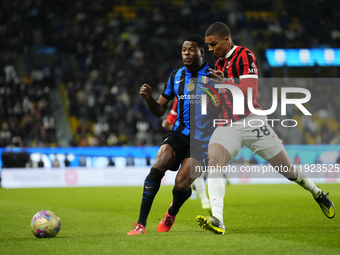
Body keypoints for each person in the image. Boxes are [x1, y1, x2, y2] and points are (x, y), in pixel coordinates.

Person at [196, 22, 335, 235]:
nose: (211, 50)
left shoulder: (244, 56)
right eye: (208, 46)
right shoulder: (219, 64)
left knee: (288, 171)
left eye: (213, 44)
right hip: (227, 124)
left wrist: (225, 82)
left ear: (226, 39)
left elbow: (250, 91)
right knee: (214, 162)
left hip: (253, 120)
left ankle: (317, 193)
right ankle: (218, 219)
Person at [127, 34, 216, 235]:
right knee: (160, 160)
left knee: (181, 183)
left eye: (191, 49)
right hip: (179, 133)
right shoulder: (176, 76)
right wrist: (149, 99)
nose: (186, 52)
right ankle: (140, 224)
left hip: (202, 141)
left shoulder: (214, 76)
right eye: (184, 49)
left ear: (201, 52)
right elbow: (160, 110)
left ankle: (172, 212)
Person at [162, 98, 210, 209]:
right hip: (181, 138)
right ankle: (200, 197)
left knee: (195, 169)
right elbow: (173, 113)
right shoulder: (180, 95)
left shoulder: (203, 93)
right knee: (191, 171)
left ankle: (202, 197)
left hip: (198, 137)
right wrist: (168, 121)